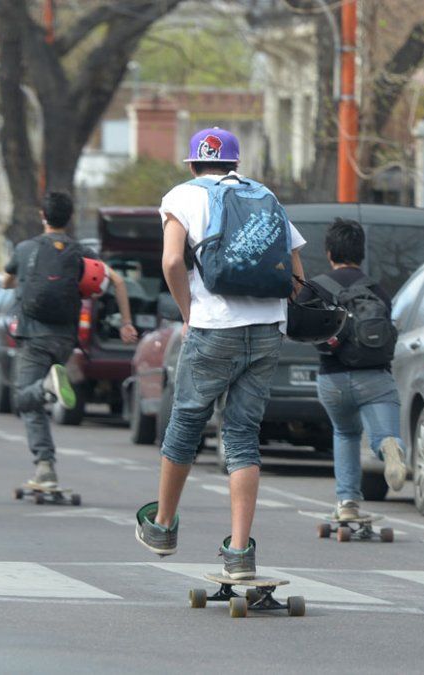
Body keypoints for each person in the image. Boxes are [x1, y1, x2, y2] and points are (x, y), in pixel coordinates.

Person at [134, 128, 306, 580]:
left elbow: (173, 262)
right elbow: (295, 270)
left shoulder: (183, 196)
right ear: (235, 163)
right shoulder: (264, 194)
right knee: (244, 434)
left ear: (192, 164)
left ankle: (163, 526)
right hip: (268, 327)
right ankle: (240, 551)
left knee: (187, 420)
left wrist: (189, 312)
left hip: (214, 325)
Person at [3, 191, 138, 488]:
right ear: (70, 218)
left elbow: (6, 280)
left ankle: (44, 459)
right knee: (35, 403)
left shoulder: (26, 249)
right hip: (65, 339)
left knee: (24, 397)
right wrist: (126, 323)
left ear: (43, 215)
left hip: (33, 335)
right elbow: (116, 281)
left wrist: (17, 278)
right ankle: (45, 468)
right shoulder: (81, 253)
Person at [296, 218, 407, 520]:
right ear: (361, 253)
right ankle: (390, 447)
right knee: (382, 434)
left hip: (332, 379)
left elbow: (296, 322)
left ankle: (347, 503)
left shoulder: (317, 287)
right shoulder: (376, 289)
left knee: (345, 433)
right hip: (374, 377)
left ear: (329, 252)